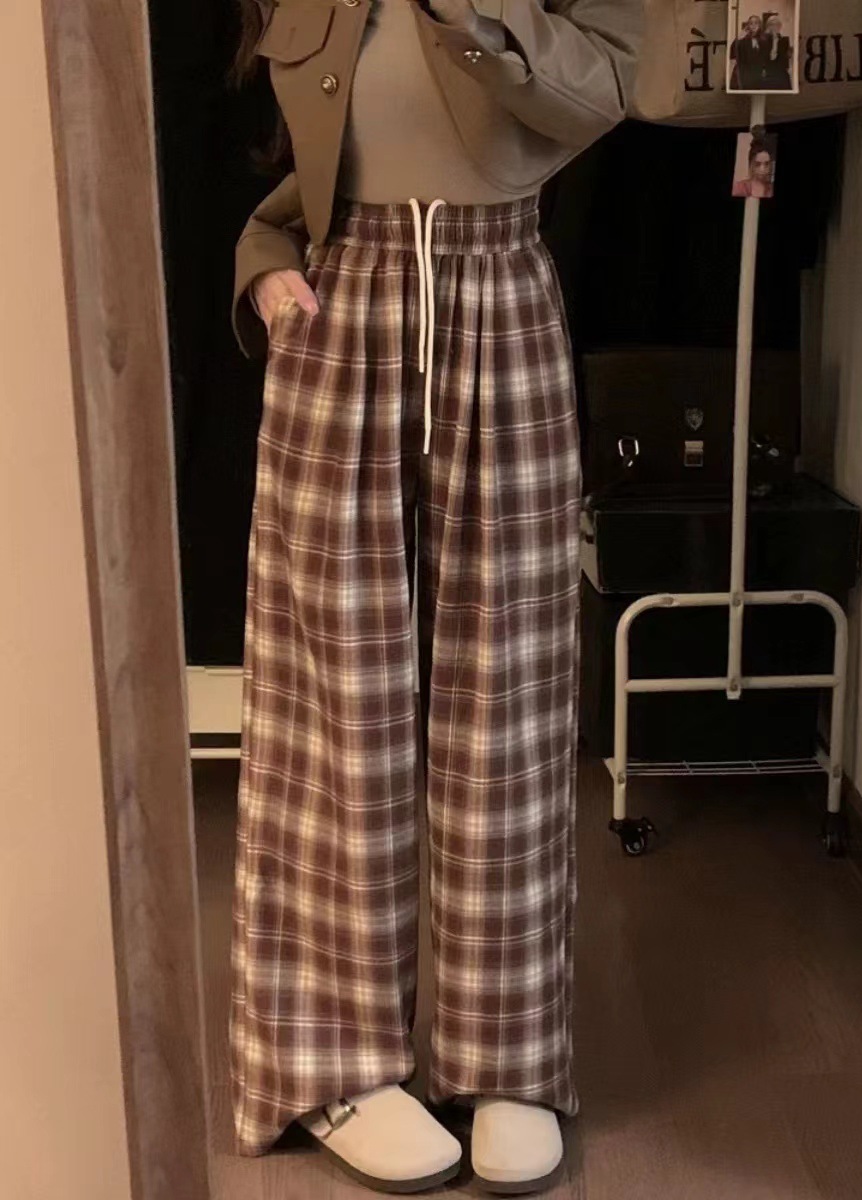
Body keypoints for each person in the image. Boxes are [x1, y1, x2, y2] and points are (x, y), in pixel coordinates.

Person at [228, 0, 643, 1195]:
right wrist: (265, 272)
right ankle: (330, 1063)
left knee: (508, 700)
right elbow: (302, 186)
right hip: (340, 312)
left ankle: (506, 1056)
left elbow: (609, 89)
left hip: (502, 295)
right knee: (330, 707)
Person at [729, 14, 768, 91]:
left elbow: (765, 57)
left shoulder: (764, 40)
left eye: (756, 23)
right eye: (751, 23)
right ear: (748, 26)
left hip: (758, 73)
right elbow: (732, 54)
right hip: (744, 73)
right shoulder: (743, 39)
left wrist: (764, 69)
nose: (753, 25)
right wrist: (738, 38)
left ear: (759, 25)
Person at [761, 13, 793, 90]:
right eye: (772, 24)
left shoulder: (784, 40)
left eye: (777, 24)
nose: (775, 27)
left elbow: (786, 58)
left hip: (782, 73)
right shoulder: (764, 40)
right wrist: (775, 41)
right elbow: (772, 57)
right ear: (768, 26)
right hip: (770, 73)